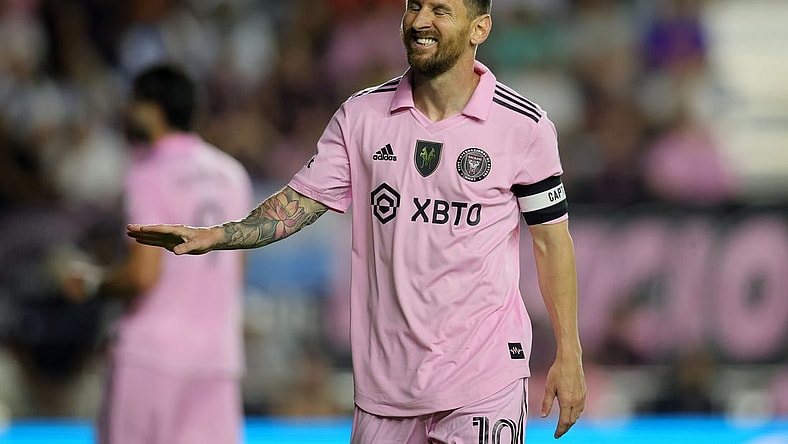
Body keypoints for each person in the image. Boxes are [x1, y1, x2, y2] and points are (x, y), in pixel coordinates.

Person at [129, 0, 586, 442]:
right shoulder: (360, 116)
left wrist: (570, 353)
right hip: (384, 388)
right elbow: (298, 205)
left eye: (440, 10)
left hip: (484, 380)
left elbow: (551, 243)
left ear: (479, 29)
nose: (420, 21)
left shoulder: (523, 126)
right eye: (414, 6)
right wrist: (218, 235)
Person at [65, 64, 253, 444]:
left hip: (151, 361)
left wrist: (91, 285)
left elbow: (143, 275)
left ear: (152, 109)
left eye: (133, 102)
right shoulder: (233, 174)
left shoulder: (148, 172)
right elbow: (235, 271)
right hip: (217, 360)